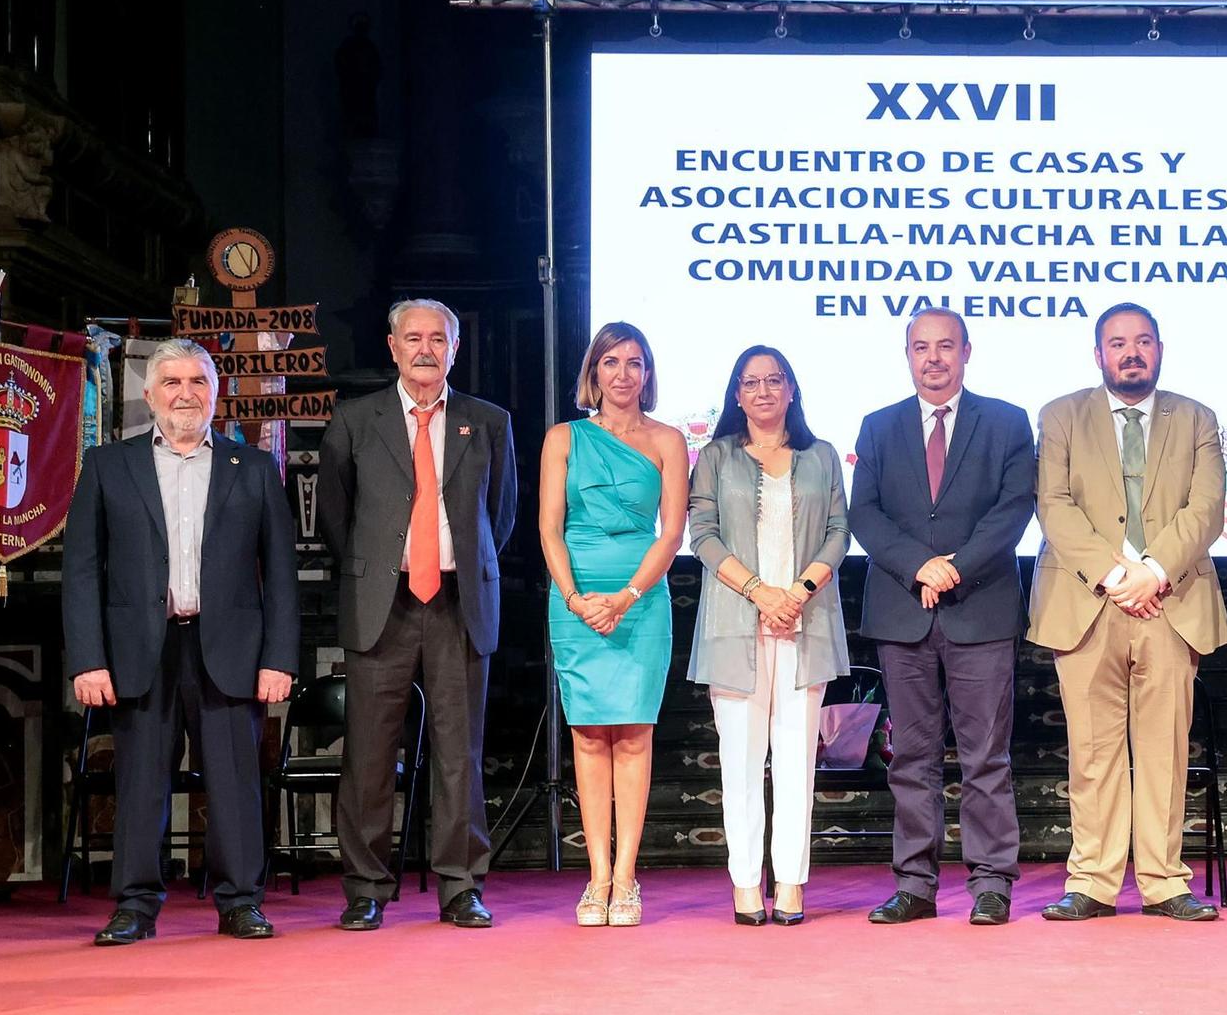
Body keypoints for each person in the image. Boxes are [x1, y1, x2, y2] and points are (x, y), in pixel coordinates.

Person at [61, 339, 298, 945]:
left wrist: (278, 658)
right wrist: (87, 659)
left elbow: (280, 572)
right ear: (149, 394)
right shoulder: (108, 465)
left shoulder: (254, 468)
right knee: (141, 783)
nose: (185, 394)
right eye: (172, 382)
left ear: (215, 394)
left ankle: (240, 902)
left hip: (231, 649)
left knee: (235, 784)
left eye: (198, 382)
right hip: (141, 649)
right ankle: (135, 907)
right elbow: (82, 570)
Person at [1028, 302, 1227, 922]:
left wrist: (1153, 572)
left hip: (1171, 600)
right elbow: (1054, 505)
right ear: (1099, 355)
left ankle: (1165, 881)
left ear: (1159, 350)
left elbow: (1207, 508)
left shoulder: (1196, 418)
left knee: (1165, 751)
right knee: (1093, 752)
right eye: (1118, 343)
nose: (1131, 353)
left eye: (1143, 341)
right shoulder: (1061, 415)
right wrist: (1118, 576)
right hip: (1089, 600)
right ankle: (1092, 880)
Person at [320, 298, 518, 930]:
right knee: (370, 755)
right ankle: (366, 888)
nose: (426, 349)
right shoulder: (355, 419)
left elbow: (500, 516)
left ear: (454, 349)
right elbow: (335, 519)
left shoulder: (488, 421)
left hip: (459, 603)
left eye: (438, 338)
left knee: (460, 753)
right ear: (393, 347)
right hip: (382, 603)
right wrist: (381, 569)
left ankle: (461, 887)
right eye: (414, 338)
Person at [850, 309, 1036, 927]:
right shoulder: (878, 427)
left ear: (966, 351)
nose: (933, 358)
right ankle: (915, 885)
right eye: (921, 347)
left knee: (986, 757)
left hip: (980, 609)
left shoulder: (1007, 421)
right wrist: (919, 567)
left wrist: (954, 568)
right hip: (903, 611)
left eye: (945, 346)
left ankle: (991, 884)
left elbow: (1014, 508)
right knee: (912, 757)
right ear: (907, 355)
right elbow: (865, 514)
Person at [687, 345, 851, 925]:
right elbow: (702, 535)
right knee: (740, 760)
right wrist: (760, 593)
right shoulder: (715, 457)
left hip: (805, 623)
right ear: (737, 394)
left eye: (773, 380)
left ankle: (791, 884)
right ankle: (744, 885)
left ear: (791, 389)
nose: (763, 391)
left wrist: (796, 594)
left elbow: (839, 532)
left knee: (796, 761)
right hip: (737, 623)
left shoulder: (821, 455)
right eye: (751, 382)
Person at [540, 323, 687, 928]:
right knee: (587, 736)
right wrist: (576, 598)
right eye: (611, 362)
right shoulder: (563, 438)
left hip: (641, 599)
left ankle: (626, 877)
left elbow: (672, 534)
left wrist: (626, 596)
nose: (623, 374)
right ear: (593, 372)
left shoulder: (669, 439)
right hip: (575, 599)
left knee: (632, 736)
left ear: (646, 373)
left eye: (634, 363)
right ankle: (596, 876)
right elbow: (549, 528)